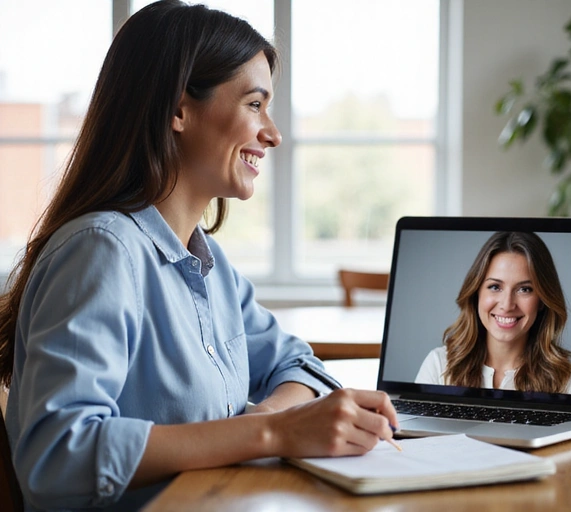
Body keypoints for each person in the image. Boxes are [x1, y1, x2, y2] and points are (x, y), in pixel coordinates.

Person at [0, 2, 398, 510]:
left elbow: (300, 364)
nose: (273, 134)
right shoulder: (101, 252)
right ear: (179, 109)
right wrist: (272, 433)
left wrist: (268, 421)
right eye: (255, 104)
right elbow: (58, 456)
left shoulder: (211, 267)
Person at [415, 231, 571, 395]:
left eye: (524, 289)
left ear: (542, 300)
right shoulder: (438, 365)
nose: (507, 304)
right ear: (476, 292)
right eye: (495, 287)